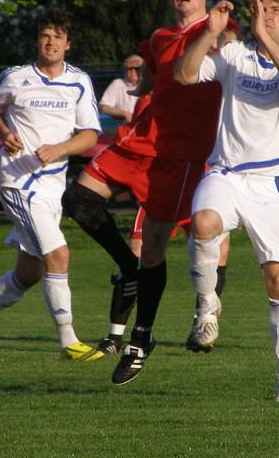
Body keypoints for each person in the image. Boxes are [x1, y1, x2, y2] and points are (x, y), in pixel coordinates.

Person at [61, 0, 240, 385]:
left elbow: (233, 49)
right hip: (147, 141)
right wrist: (147, 88)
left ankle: (141, 338)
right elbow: (158, 75)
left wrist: (220, 30)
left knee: (157, 242)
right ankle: (128, 270)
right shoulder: (161, 37)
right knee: (78, 202)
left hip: (184, 153)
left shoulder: (220, 29)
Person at [175, 0, 279, 402]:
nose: (266, 16)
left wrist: (264, 36)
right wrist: (209, 33)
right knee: (203, 223)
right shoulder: (235, 55)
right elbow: (184, 75)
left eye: (275, 12)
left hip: (273, 187)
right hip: (227, 173)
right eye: (262, 10)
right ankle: (207, 307)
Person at [0, 8, 105, 362]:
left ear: (68, 43)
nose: (50, 42)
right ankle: (69, 341)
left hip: (52, 188)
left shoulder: (79, 81)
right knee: (59, 254)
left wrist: (61, 149)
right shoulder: (16, 77)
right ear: (38, 40)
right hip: (19, 182)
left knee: (30, 272)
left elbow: (91, 135)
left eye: (57, 37)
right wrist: (6, 134)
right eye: (45, 35)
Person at [94, 92, 231, 356]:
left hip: (205, 186)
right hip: (164, 187)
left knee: (219, 252)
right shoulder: (154, 96)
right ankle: (114, 335)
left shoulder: (218, 90)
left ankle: (203, 325)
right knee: (138, 255)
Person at [99, 54, 143, 123]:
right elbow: (104, 107)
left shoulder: (149, 85)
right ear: (125, 70)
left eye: (137, 68)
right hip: (125, 127)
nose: (133, 71)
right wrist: (125, 114)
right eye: (130, 68)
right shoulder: (117, 84)